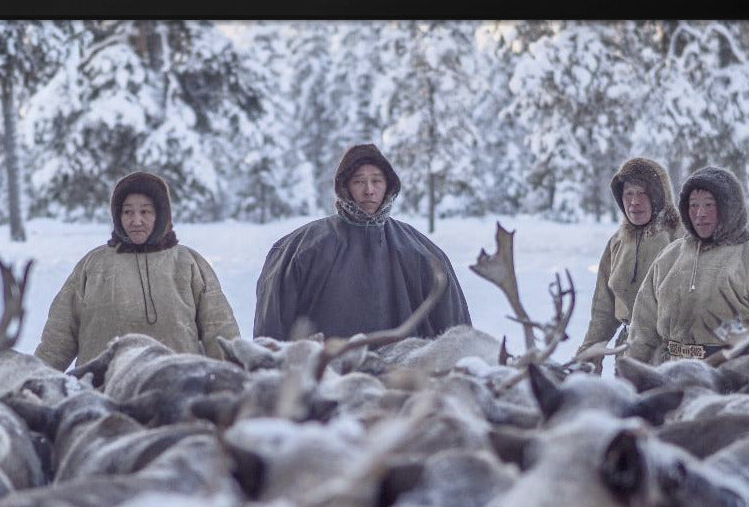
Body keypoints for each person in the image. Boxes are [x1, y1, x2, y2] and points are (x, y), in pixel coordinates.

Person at [253, 143, 472, 341]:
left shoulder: (422, 253)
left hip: (404, 381)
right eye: (359, 181)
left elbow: (455, 339)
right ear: (345, 186)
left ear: (388, 185)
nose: (369, 190)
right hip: (323, 378)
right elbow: (270, 336)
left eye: (376, 181)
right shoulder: (299, 250)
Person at [35, 171, 239, 370]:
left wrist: (234, 381)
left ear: (161, 214)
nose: (136, 220)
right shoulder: (93, 265)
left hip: (178, 390)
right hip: (102, 392)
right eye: (128, 212)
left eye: (145, 211)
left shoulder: (189, 264)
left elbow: (220, 333)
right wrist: (33, 380)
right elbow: (58, 337)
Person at [627, 165, 749, 366]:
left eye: (709, 205)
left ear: (729, 207)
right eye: (693, 205)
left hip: (734, 377)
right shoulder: (669, 257)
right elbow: (643, 329)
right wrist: (633, 372)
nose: (700, 213)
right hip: (671, 374)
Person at [575, 157, 683, 372]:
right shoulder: (617, 243)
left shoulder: (681, 239)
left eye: (642, 193)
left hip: (673, 355)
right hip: (628, 351)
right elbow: (603, 310)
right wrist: (590, 351)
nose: (634, 201)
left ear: (658, 196)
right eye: (628, 194)